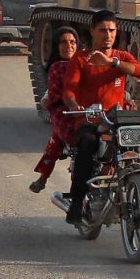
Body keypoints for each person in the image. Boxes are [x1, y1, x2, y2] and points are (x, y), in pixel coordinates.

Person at [61, 14, 140, 226]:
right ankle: (77, 200)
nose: (108, 35)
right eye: (102, 30)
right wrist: (75, 107)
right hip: (90, 120)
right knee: (88, 145)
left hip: (118, 118)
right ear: (92, 31)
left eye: (112, 30)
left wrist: (112, 63)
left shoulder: (121, 57)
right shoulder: (81, 59)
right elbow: (68, 91)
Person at [29, 26, 84, 192]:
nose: (69, 46)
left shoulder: (85, 64)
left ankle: (43, 177)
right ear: (55, 46)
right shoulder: (58, 67)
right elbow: (54, 92)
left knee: (55, 140)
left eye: (73, 42)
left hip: (87, 109)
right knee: (61, 135)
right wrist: (49, 99)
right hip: (67, 112)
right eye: (63, 42)